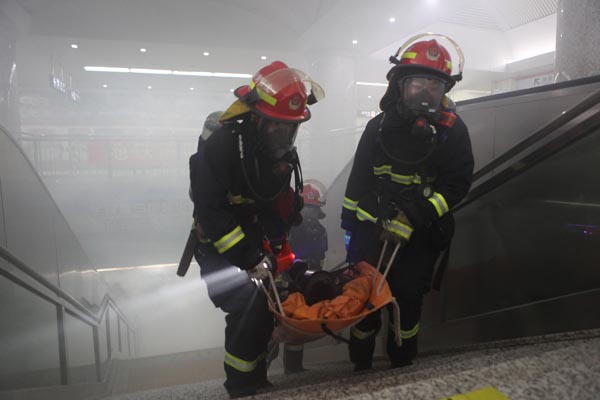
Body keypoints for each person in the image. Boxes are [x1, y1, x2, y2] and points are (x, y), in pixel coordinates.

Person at [186, 61, 323, 398]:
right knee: (248, 303)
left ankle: (258, 379)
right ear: (256, 117)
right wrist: (250, 258)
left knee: (270, 304)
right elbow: (211, 212)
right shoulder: (223, 146)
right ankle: (241, 386)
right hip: (218, 246)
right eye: (276, 125)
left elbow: (270, 205)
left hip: (254, 245)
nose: (283, 135)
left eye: (289, 128)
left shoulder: (277, 154)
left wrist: (280, 248)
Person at [340, 34, 474, 370]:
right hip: (372, 232)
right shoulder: (377, 129)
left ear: (445, 90)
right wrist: (352, 230)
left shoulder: (453, 132)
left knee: (409, 298)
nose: (426, 93)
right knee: (365, 300)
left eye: (435, 85)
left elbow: (457, 184)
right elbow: (357, 182)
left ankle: (402, 361)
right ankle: (360, 363)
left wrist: (415, 214)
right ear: (400, 85)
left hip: (421, 235)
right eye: (418, 84)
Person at [283, 180, 329, 374]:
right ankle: (265, 365)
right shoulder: (290, 229)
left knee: (300, 323)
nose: (310, 214)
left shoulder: (321, 231)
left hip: (310, 282)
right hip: (291, 282)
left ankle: (294, 367)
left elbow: (321, 257)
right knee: (287, 322)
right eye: (308, 209)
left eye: (314, 209)